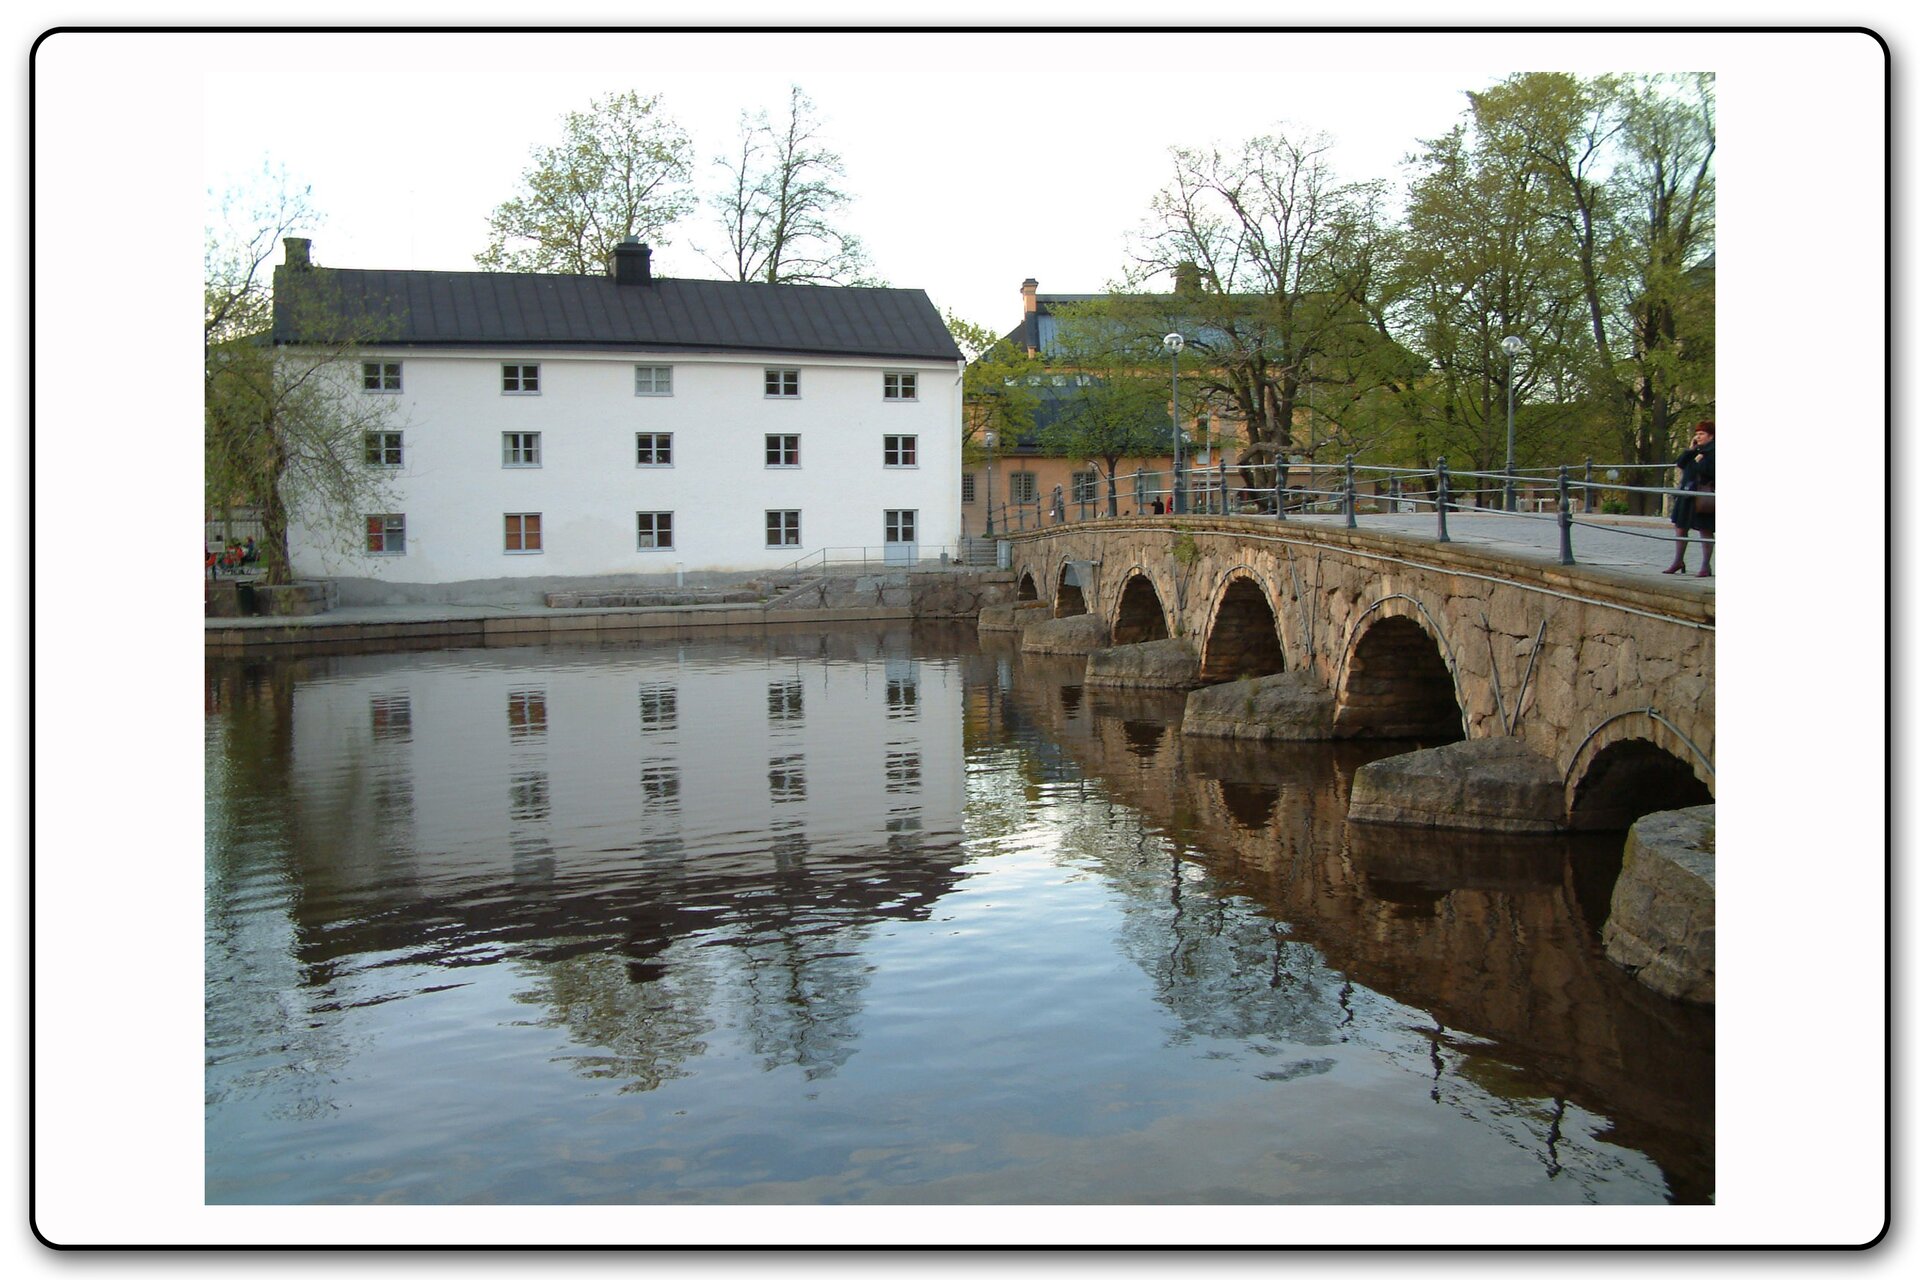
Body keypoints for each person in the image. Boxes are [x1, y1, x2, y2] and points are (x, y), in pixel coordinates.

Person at [1662, 420, 1715, 577]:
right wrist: (1691, 450)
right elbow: (1681, 464)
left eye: (1702, 434)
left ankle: (1705, 566)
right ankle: (1678, 560)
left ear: (1711, 436)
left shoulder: (1715, 451)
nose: (1698, 437)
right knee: (1681, 527)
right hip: (1688, 493)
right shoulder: (1696, 450)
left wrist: (1699, 460)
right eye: (1697, 434)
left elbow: (1710, 471)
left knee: (1704, 530)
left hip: (1703, 495)